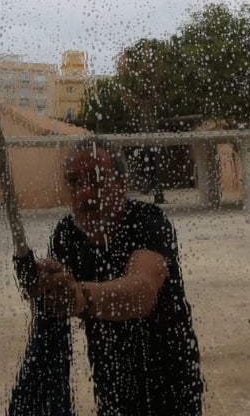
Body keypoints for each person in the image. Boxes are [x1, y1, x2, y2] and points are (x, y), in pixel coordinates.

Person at [28, 139, 204, 415]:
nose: (84, 193)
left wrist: (80, 297)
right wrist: (47, 283)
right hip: (109, 380)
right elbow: (60, 290)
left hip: (170, 381)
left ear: (122, 184)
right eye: (74, 182)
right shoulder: (67, 235)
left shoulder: (147, 221)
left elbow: (142, 290)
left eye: (97, 180)